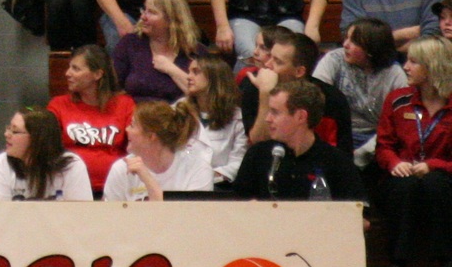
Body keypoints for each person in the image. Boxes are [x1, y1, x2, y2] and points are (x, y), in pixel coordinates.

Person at [371, 34, 452, 267]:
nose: (405, 67)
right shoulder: (398, 100)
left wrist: (434, 165)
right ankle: (397, 260)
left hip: (443, 176)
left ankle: (445, 259)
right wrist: (394, 162)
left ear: (433, 66)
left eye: (413, 62)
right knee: (403, 187)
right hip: (403, 175)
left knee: (435, 185)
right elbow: (383, 146)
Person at [233, 79, 368, 201]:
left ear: (301, 117)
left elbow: (357, 213)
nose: (268, 119)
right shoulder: (258, 155)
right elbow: (236, 207)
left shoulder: (337, 162)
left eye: (275, 112)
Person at [314, 19, 410, 161]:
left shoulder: (395, 74)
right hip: (338, 133)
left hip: (377, 140)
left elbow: (398, 123)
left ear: (372, 49)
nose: (345, 45)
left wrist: (362, 153)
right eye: (346, 38)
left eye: (354, 42)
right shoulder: (334, 59)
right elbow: (314, 96)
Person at [241, 29, 352, 150]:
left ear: (299, 71)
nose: (267, 65)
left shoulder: (331, 99)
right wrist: (265, 94)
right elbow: (258, 144)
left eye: (278, 61)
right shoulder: (256, 88)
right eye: (270, 57)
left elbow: (341, 154)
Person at [47, 45, 135, 194]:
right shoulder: (58, 105)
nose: (67, 73)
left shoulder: (125, 105)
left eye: (76, 69)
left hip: (115, 189)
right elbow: (46, 148)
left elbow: (137, 147)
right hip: (69, 188)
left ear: (97, 74)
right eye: (69, 67)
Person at [101, 100, 213, 201]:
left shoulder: (197, 169)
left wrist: (147, 178)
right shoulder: (122, 168)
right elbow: (109, 214)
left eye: (132, 125)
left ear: (151, 136)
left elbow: (188, 216)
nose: (126, 129)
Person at [108, 0, 201, 104]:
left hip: (177, 112)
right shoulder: (130, 43)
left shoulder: (195, 51)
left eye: (151, 12)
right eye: (144, 10)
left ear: (171, 19)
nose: (143, 17)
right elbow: (111, 87)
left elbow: (205, 98)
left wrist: (171, 69)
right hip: (135, 112)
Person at [0, 107, 93, 201]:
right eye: (8, 128)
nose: (6, 134)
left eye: (15, 131)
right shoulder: (0, 165)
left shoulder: (72, 165)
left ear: (37, 139)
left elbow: (82, 213)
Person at [182, 57, 248, 187]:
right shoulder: (179, 110)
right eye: (189, 71)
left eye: (196, 72)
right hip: (181, 185)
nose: (188, 77)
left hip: (219, 187)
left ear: (214, 77)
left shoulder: (237, 117)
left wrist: (208, 176)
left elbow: (239, 161)